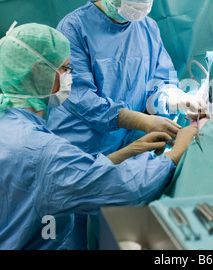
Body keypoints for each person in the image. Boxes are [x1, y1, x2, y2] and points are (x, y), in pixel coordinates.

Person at [0, 22, 198, 249]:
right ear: (38, 72)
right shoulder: (42, 150)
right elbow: (122, 188)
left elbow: (65, 180)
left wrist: (125, 153)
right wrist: (174, 155)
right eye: (65, 69)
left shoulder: (11, 127)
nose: (69, 76)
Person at [47, 0, 204, 158]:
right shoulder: (74, 28)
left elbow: (158, 81)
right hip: (79, 150)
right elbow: (79, 97)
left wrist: (175, 99)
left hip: (127, 148)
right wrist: (142, 121)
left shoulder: (148, 28)